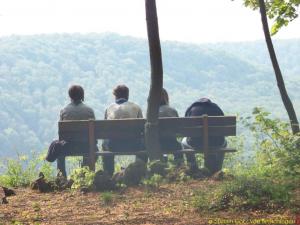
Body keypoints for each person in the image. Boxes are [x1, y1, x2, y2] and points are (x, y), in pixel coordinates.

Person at [46, 85, 96, 176]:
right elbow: (94, 132)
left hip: (68, 147)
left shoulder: (64, 111)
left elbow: (62, 135)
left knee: (59, 147)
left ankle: (61, 177)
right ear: (82, 95)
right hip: (86, 146)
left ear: (70, 96)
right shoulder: (89, 111)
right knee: (90, 144)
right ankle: (83, 174)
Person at [102, 84, 146, 176]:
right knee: (144, 142)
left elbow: (105, 130)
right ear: (127, 95)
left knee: (104, 144)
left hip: (113, 145)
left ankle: (108, 173)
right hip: (134, 145)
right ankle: (140, 172)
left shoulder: (109, 108)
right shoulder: (136, 107)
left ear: (115, 96)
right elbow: (142, 127)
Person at [182, 98, 226, 174]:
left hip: (195, 143)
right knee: (224, 142)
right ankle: (217, 169)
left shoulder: (192, 109)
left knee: (183, 142)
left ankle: (192, 167)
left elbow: (186, 130)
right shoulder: (216, 108)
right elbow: (224, 129)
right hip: (216, 143)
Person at [159, 88, 184, 165]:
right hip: (172, 143)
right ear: (167, 98)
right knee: (179, 146)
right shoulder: (173, 111)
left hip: (157, 144)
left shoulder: (151, 112)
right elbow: (178, 129)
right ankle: (179, 168)